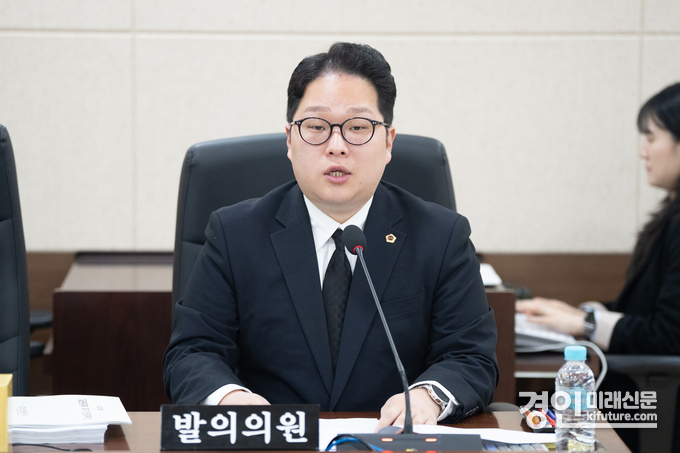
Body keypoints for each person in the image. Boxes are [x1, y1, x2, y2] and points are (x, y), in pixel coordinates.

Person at [163, 42, 498, 430]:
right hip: (275, 441)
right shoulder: (235, 234)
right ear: (290, 140)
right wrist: (232, 400)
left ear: (389, 142)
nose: (336, 147)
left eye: (357, 128)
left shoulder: (440, 237)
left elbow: (470, 357)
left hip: (390, 442)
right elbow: (193, 352)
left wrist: (428, 397)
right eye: (317, 128)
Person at [516, 82, 680, 452]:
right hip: (636, 394)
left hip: (649, 405)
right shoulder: (669, 217)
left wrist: (586, 323)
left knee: (531, 415)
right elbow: (641, 309)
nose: (643, 151)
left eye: (651, 137)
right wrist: (574, 313)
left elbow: (668, 335)